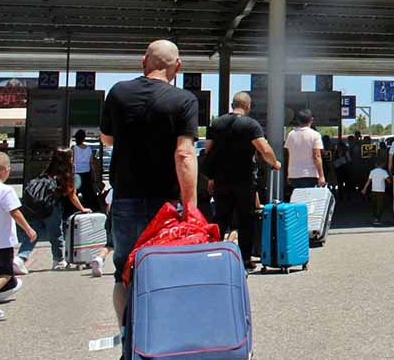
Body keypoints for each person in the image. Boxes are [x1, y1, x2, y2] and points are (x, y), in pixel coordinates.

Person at [100, 39, 199, 325]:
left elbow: (107, 138)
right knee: (167, 270)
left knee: (124, 273)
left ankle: (129, 340)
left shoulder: (118, 92)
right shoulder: (183, 100)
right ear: (177, 67)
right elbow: (184, 154)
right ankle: (161, 338)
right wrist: (190, 205)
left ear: (144, 61)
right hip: (165, 203)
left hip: (126, 198)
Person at [204, 92, 282, 268]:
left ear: (233, 104)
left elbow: (208, 150)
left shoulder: (217, 123)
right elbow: (264, 149)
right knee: (246, 219)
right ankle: (246, 259)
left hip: (221, 180)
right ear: (248, 106)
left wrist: (211, 177)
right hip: (244, 180)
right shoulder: (250, 124)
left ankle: (214, 255)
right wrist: (275, 163)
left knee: (220, 218)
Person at [16, 148, 91, 271]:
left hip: (35, 208)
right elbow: (72, 195)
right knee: (56, 234)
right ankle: (58, 260)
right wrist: (82, 208)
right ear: (68, 159)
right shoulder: (66, 174)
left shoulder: (47, 172)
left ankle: (20, 258)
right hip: (52, 207)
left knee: (33, 233)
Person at [0, 151, 37, 321]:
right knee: (6, 274)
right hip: (2, 242)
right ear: (5, 170)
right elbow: (15, 212)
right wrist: (28, 229)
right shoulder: (5, 190)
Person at [284, 109, 325, 199]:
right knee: (309, 202)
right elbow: (317, 156)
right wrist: (321, 176)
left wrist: (288, 173)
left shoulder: (291, 134)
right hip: (310, 175)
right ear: (311, 120)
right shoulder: (315, 135)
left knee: (297, 200)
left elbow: (289, 155)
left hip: (294, 175)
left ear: (298, 120)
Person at [72, 129, 99, 211]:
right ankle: (94, 208)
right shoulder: (89, 149)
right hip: (87, 173)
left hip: (77, 173)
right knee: (89, 192)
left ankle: (74, 208)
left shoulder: (74, 148)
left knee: (74, 192)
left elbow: (72, 161)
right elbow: (91, 163)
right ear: (84, 138)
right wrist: (93, 174)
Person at [360, 159, 390, 225]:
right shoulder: (384, 172)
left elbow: (368, 181)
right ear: (383, 165)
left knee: (374, 204)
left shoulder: (372, 171)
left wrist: (364, 189)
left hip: (373, 190)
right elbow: (388, 181)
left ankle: (375, 217)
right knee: (380, 205)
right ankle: (378, 218)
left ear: (375, 165)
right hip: (381, 191)